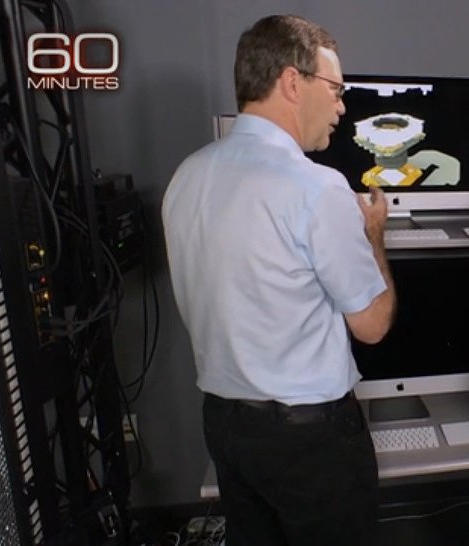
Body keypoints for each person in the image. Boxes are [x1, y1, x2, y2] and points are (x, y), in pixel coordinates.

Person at [162, 15, 395, 546]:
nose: (341, 107)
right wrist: (374, 235)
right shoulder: (317, 187)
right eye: (336, 90)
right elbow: (373, 325)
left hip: (225, 426)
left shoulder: (187, 175)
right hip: (307, 440)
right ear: (293, 82)